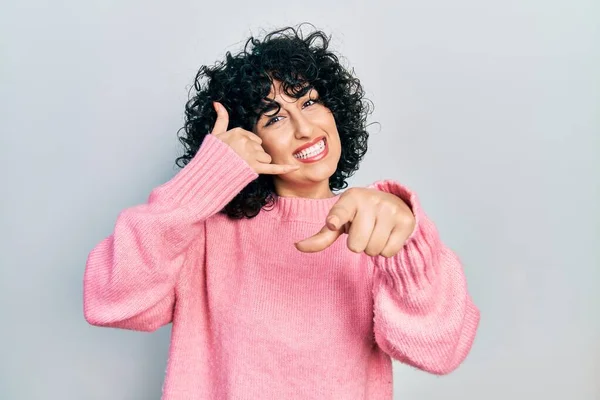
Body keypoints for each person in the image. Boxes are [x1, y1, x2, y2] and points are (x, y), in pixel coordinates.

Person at [83, 25, 480, 400]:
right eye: (274, 117)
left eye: (309, 101)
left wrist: (407, 246)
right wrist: (200, 183)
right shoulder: (206, 234)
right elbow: (113, 299)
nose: (305, 128)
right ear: (251, 140)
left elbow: (439, 351)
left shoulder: (374, 224)